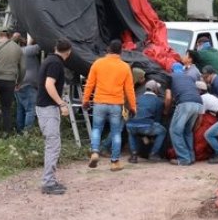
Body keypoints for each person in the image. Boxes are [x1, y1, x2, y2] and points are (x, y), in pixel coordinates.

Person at [82, 39, 136, 172]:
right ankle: (114, 162)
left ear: (108, 50)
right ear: (121, 52)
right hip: (116, 104)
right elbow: (129, 90)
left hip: (99, 102)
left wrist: (85, 100)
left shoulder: (98, 63)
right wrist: (133, 107)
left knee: (97, 129)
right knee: (116, 132)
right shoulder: (125, 67)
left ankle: (95, 152)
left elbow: (90, 84)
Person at [35, 38, 73, 195]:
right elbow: (49, 84)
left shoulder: (50, 60)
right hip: (48, 108)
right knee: (53, 145)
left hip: (44, 107)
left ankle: (50, 180)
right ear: (69, 52)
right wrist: (62, 104)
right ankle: (48, 183)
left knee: (52, 144)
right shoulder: (56, 64)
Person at [166, 63, 203, 166]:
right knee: (187, 131)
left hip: (185, 104)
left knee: (175, 131)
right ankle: (191, 157)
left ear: (172, 70)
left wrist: (166, 110)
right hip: (198, 104)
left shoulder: (170, 76)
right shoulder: (189, 77)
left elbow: (168, 97)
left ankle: (184, 159)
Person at [126, 80, 166, 163]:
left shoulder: (137, 97)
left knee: (131, 131)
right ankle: (153, 154)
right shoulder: (158, 101)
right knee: (162, 131)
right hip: (146, 126)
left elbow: (131, 111)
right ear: (155, 90)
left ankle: (133, 155)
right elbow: (157, 119)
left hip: (131, 124)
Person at [16, 35, 41, 134]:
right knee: (30, 109)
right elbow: (41, 46)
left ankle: (19, 132)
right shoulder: (27, 51)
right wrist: (32, 40)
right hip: (28, 84)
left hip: (19, 84)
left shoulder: (17, 52)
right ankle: (27, 133)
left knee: (20, 109)